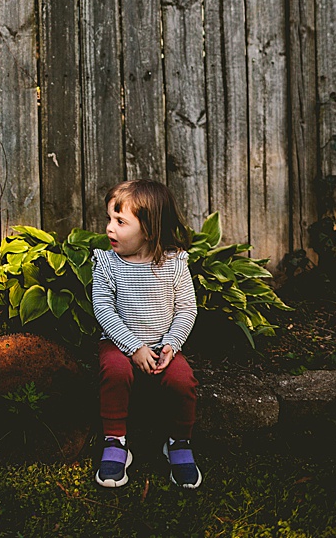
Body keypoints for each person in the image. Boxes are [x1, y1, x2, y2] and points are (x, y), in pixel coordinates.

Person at [90, 180, 201, 489]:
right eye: (110, 219)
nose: (109, 228)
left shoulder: (174, 264)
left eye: (120, 221)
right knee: (114, 371)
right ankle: (115, 442)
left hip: (163, 345)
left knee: (183, 381)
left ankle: (179, 443)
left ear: (149, 230)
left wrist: (171, 345)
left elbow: (186, 309)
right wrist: (133, 347)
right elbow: (104, 310)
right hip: (118, 343)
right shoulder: (107, 263)